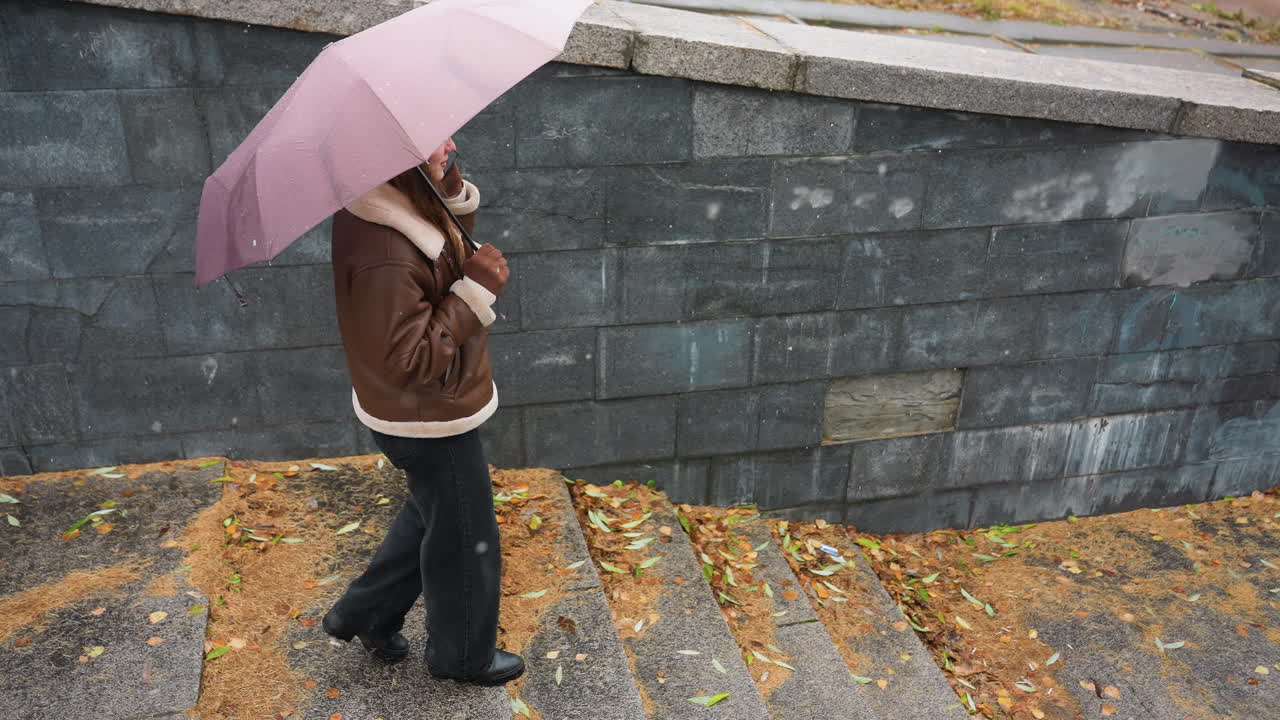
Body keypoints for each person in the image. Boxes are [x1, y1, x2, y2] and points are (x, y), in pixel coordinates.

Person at [320, 137, 521, 687]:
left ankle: (363, 614)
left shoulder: (395, 192)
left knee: (437, 513)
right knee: (464, 537)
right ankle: (461, 657)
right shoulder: (384, 245)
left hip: (425, 409)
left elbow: (437, 250)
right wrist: (474, 294)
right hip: (426, 415)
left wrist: (449, 186)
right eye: (433, 133)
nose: (451, 141)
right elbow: (409, 360)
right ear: (395, 149)